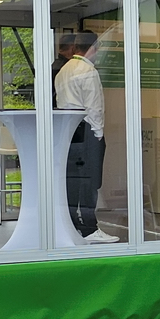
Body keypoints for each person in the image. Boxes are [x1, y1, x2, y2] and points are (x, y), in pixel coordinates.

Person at [54, 32, 119, 244]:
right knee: (90, 181)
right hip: (87, 130)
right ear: (94, 47)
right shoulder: (88, 71)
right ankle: (90, 228)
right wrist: (98, 136)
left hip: (68, 131)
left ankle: (73, 225)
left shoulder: (63, 71)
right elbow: (94, 108)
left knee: (72, 181)